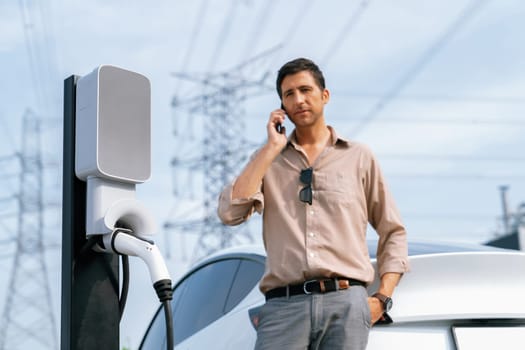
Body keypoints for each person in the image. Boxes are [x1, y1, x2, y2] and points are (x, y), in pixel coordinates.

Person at [218, 57, 409, 350]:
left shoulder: (359, 157)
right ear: (281, 106)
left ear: (325, 95)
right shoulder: (267, 160)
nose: (299, 99)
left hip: (346, 305)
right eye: (289, 94)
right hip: (283, 309)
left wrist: (382, 298)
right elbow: (230, 213)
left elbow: (393, 231)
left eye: (305, 90)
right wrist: (271, 149)